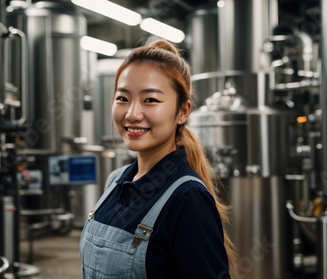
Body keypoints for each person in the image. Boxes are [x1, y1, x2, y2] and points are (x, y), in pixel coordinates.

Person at [80, 39, 237, 279]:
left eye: (150, 100)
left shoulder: (187, 199)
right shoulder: (114, 181)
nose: (132, 114)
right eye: (122, 98)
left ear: (183, 111)